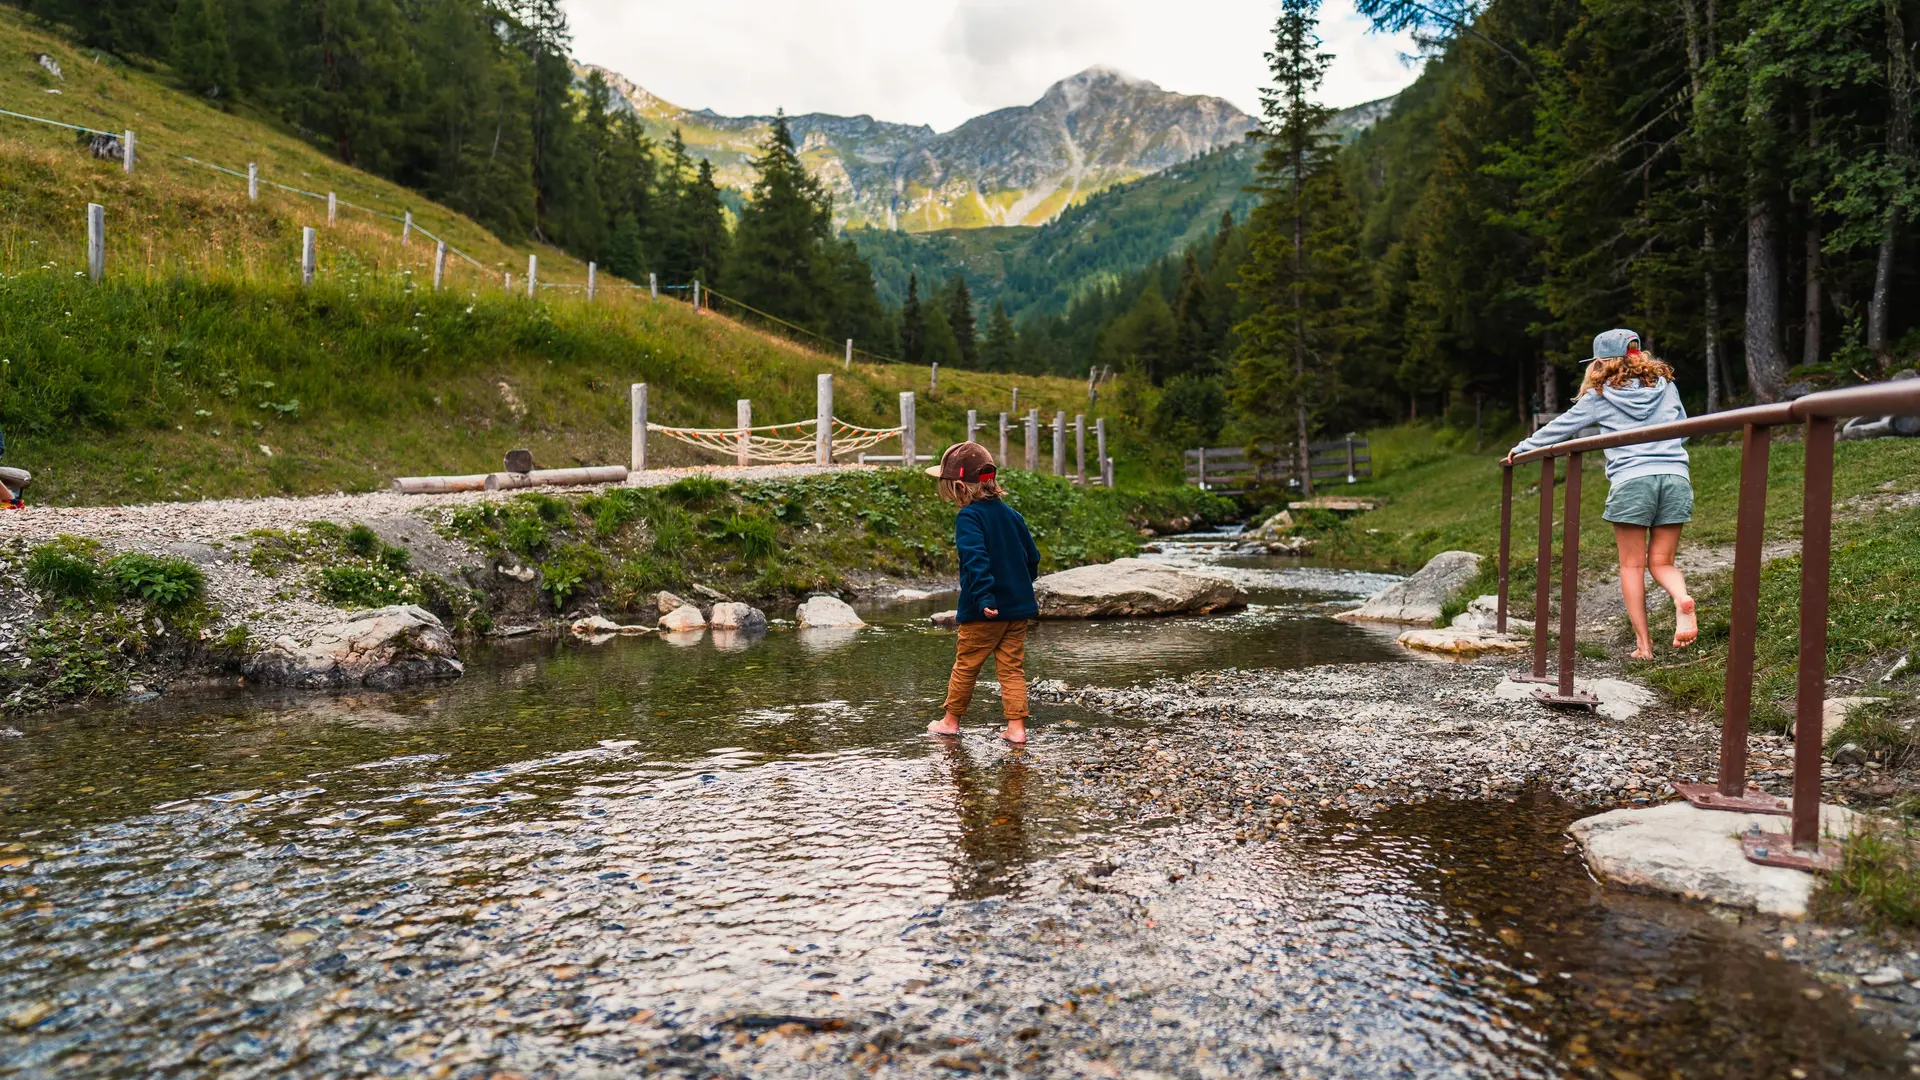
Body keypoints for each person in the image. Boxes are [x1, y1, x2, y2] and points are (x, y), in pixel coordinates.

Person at [1507, 329, 1696, 660]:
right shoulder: (1666, 386)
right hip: (1675, 477)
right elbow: (1682, 428)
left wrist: (1521, 451)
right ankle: (1681, 597)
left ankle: (1644, 646)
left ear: (1599, 362)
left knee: (1631, 566)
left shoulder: (1600, 394)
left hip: (1631, 482)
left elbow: (1560, 428)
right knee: (1662, 561)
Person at [924, 441, 1042, 744]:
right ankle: (1016, 729)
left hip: (983, 611)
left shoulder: (969, 517)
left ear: (961, 487)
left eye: (949, 488)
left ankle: (950, 722)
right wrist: (1020, 588)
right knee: (1012, 669)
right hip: (1018, 610)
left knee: (966, 666)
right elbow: (1032, 557)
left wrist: (986, 597)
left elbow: (976, 559)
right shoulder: (1013, 515)